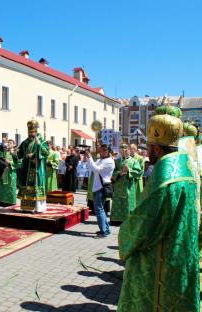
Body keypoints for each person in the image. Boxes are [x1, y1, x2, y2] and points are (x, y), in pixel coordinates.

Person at [117, 113, 200, 311]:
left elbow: (144, 222)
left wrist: (125, 236)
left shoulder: (165, 178)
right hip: (181, 257)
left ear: (155, 147)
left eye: (148, 148)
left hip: (158, 262)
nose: (147, 153)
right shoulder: (186, 170)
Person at [17, 120, 49, 212]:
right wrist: (16, 153)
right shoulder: (25, 142)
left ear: (36, 132)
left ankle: (38, 207)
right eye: (29, 132)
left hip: (36, 168)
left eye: (32, 132)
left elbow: (45, 152)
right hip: (26, 169)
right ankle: (27, 208)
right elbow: (19, 153)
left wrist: (36, 156)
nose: (31, 134)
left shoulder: (41, 141)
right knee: (26, 186)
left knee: (35, 185)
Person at [85, 144, 115, 238]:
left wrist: (90, 158)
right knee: (100, 209)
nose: (99, 152)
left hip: (101, 188)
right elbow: (90, 168)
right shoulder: (101, 159)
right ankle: (106, 229)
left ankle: (104, 231)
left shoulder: (109, 161)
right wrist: (88, 158)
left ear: (106, 151)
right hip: (97, 187)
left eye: (101, 151)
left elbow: (96, 169)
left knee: (99, 210)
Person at [110, 144, 142, 224]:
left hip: (129, 186)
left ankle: (127, 220)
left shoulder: (134, 161)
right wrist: (119, 173)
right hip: (118, 186)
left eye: (125, 149)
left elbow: (139, 172)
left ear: (129, 150)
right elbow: (112, 173)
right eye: (122, 149)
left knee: (128, 202)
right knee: (117, 202)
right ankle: (116, 220)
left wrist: (129, 170)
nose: (124, 151)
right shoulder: (117, 161)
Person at [0, 139, 17, 206]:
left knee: (11, 187)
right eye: (8, 142)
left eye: (11, 143)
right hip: (4, 172)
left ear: (14, 144)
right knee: (3, 187)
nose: (9, 144)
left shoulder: (15, 152)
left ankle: (11, 202)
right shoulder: (5, 152)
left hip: (11, 173)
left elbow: (19, 163)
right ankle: (3, 202)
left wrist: (10, 163)